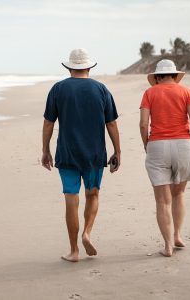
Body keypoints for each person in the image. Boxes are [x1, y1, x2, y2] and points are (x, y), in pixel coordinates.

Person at [42, 48, 121, 262]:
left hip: (67, 152)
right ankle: (87, 232)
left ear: (69, 68)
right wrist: (118, 151)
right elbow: (111, 123)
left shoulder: (58, 89)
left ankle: (74, 250)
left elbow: (49, 122)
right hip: (95, 153)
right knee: (93, 194)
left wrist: (45, 150)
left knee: (71, 198)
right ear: (89, 67)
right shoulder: (101, 89)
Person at [139, 59, 190, 257]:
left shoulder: (149, 93)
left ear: (157, 77)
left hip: (157, 145)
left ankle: (167, 246)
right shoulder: (187, 92)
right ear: (175, 75)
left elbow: (143, 124)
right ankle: (178, 235)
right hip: (184, 144)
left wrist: (147, 144)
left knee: (162, 200)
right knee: (179, 193)